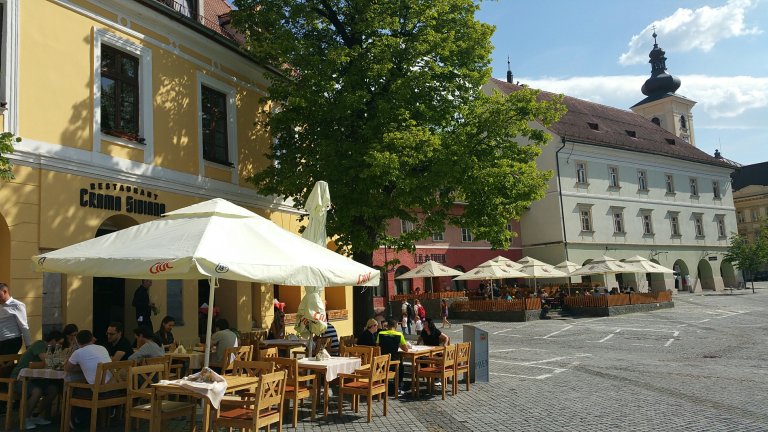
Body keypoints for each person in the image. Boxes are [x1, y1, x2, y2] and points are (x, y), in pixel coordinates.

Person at [11, 330, 64, 429]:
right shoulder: (39, 345)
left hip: (35, 379)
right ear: (53, 340)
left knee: (53, 389)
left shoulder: (50, 350)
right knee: (37, 391)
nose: (60, 346)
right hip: (19, 379)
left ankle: (35, 415)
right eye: (59, 343)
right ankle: (25, 418)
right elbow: (47, 360)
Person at [64, 330, 112, 429]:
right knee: (84, 386)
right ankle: (90, 419)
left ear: (77, 341)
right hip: (112, 388)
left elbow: (67, 368)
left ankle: (75, 420)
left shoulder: (78, 352)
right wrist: (84, 366)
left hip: (98, 391)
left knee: (72, 390)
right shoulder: (102, 348)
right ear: (92, 339)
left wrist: (71, 351)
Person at [377, 319, 408, 396]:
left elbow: (377, 347)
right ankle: (398, 387)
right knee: (401, 367)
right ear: (396, 326)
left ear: (387, 326)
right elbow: (406, 349)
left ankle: (382, 386)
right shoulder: (399, 334)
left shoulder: (380, 333)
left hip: (382, 362)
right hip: (393, 362)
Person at [0, 282, 32, 354]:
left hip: (11, 341)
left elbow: (23, 326)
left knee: (6, 361)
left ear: (4, 291)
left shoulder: (17, 305)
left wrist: (28, 345)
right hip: (1, 342)